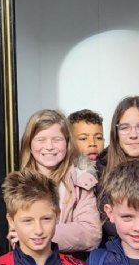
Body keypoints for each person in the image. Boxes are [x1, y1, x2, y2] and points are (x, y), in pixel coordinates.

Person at [17, 109, 101, 256]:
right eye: (41, 140)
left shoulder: (80, 182)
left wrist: (40, 235)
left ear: (67, 143)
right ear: (29, 144)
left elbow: (91, 233)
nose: (49, 146)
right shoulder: (16, 184)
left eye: (56, 139)